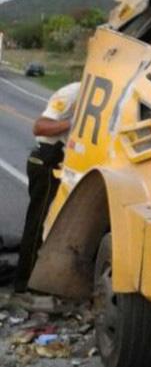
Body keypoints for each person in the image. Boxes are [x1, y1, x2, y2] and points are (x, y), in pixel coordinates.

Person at [13, 82, 81, 292]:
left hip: (64, 162)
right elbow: (40, 126)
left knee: (54, 224)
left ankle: (46, 278)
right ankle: (25, 283)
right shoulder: (73, 93)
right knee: (38, 222)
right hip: (47, 161)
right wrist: (74, 123)